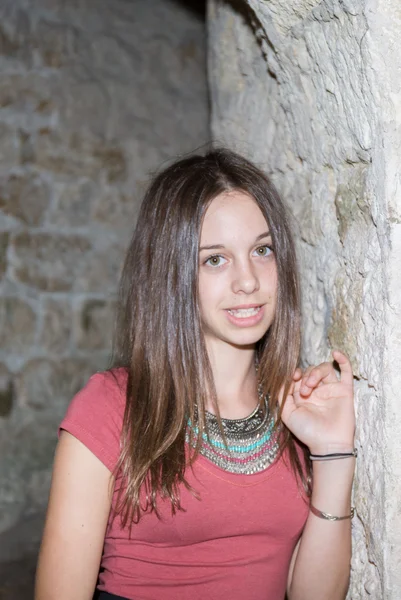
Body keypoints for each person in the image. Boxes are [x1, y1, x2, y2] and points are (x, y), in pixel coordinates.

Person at [35, 148, 356, 600]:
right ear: (173, 274)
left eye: (262, 250)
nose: (248, 280)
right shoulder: (112, 407)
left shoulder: (297, 411)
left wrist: (334, 452)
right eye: (215, 259)